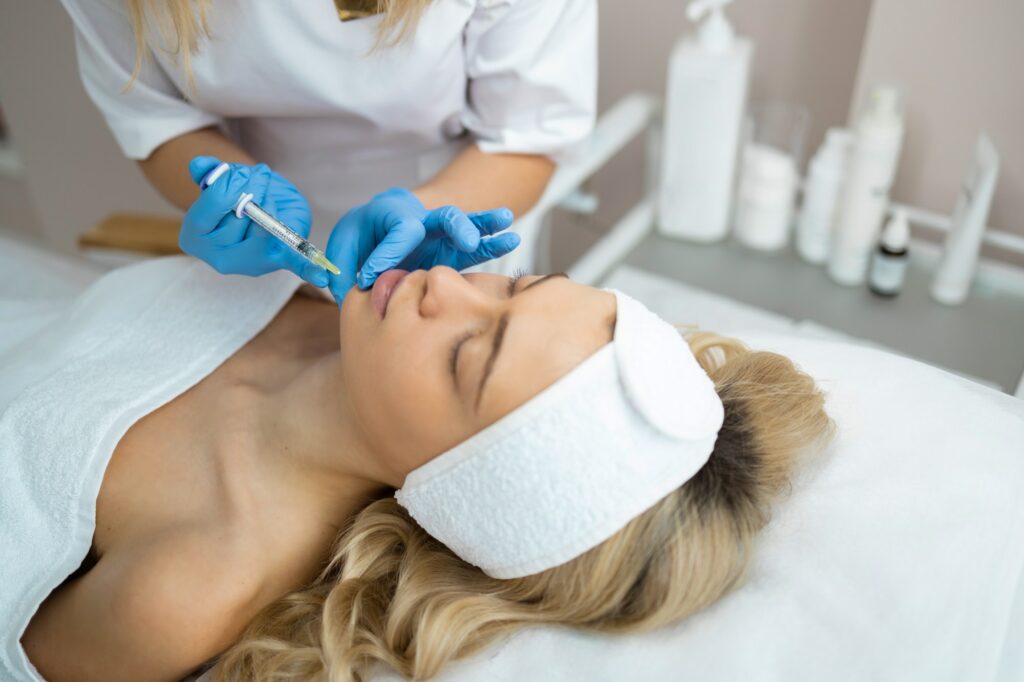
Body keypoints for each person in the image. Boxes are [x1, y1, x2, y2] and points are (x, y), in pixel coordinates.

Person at [5, 245, 830, 681]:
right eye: (514, 285)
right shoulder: (313, 285)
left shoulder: (190, 585)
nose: (446, 284)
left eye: (467, 353)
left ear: (458, 485)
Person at [59, 0, 597, 300]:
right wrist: (236, 193)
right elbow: (158, 121)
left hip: (448, 216)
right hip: (262, 243)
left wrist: (423, 213)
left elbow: (526, 136)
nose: (434, 313)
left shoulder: (448, 300)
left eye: (469, 353)